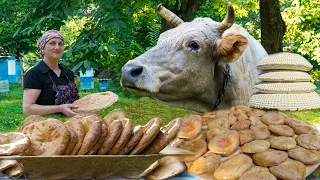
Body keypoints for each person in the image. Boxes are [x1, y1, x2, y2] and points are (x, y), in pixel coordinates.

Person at [23, 30, 79, 116]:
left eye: (60, 44)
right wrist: (59, 108)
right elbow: (28, 109)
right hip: (45, 125)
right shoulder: (34, 74)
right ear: (42, 48)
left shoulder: (69, 74)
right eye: (52, 43)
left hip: (72, 124)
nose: (57, 47)